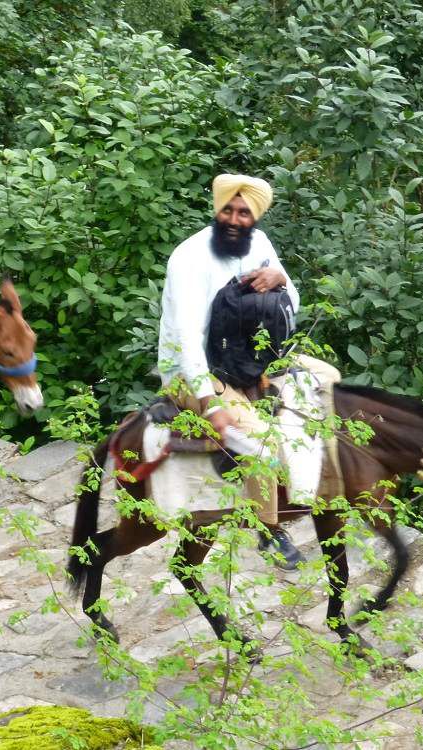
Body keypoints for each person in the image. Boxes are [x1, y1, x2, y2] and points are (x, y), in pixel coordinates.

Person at [157, 173, 305, 568]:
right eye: (229, 210)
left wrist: (282, 278)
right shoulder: (189, 258)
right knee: (260, 443)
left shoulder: (259, 244)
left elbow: (293, 300)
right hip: (197, 372)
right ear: (217, 209)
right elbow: (186, 339)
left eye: (244, 212)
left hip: (250, 363)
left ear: (254, 216)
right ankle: (269, 528)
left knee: (329, 385)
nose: (235, 219)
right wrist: (209, 404)